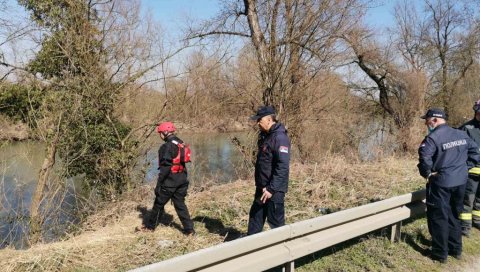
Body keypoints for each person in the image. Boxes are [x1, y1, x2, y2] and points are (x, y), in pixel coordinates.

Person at [417, 108, 479, 263]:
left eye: (427, 120)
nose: (426, 123)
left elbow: (425, 159)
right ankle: (456, 249)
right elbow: (476, 152)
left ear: (435, 120)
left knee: (439, 217)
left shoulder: (432, 138)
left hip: (441, 183)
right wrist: (465, 168)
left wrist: (428, 174)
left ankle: (439, 254)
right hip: (460, 182)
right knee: (454, 215)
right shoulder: (461, 134)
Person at [142, 121, 195, 236]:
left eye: (160, 133)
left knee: (158, 204)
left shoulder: (166, 147)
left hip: (170, 182)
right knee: (180, 205)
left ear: (165, 133)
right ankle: (189, 230)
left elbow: (165, 168)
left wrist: (158, 185)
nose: (160, 135)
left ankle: (150, 227)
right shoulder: (180, 142)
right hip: (182, 180)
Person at [247, 106, 291, 235]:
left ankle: (282, 248)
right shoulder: (266, 136)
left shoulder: (280, 138)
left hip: (274, 190)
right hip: (262, 187)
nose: (257, 123)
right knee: (255, 217)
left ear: (268, 119)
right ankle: (250, 247)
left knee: (275, 223)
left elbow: (283, 166)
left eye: (259, 120)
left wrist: (271, 189)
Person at [459, 100, 480, 237]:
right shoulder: (467, 128)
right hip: (471, 172)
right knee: (468, 199)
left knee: (479, 200)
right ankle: (465, 226)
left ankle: (477, 220)